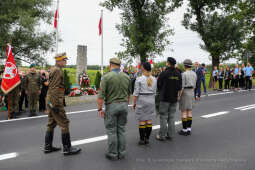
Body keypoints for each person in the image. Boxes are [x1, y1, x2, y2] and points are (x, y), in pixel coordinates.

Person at [43, 52, 81, 155]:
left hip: (50, 99)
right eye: (64, 60)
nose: (65, 62)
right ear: (59, 60)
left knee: (51, 122)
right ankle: (67, 148)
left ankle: (47, 147)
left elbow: (51, 86)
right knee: (64, 123)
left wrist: (51, 103)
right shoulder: (57, 71)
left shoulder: (53, 69)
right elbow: (54, 88)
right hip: (55, 100)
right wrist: (55, 105)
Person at [97, 58, 131, 160]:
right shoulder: (126, 76)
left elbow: (101, 96)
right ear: (119, 65)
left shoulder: (106, 77)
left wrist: (99, 109)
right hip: (124, 105)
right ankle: (122, 152)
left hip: (112, 105)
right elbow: (129, 94)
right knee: (121, 129)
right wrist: (125, 104)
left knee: (111, 130)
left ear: (110, 65)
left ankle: (113, 154)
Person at [156, 57, 182, 141]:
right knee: (171, 117)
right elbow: (179, 87)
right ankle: (170, 134)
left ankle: (162, 135)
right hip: (174, 98)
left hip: (164, 98)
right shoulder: (178, 73)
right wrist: (178, 95)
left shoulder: (164, 73)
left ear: (168, 63)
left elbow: (158, 85)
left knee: (163, 116)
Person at [132, 62, 157, 145]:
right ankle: (147, 138)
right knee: (149, 120)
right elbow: (155, 91)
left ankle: (142, 139)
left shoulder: (139, 79)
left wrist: (134, 103)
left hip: (142, 99)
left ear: (143, 68)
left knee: (142, 121)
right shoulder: (154, 79)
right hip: (151, 99)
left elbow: (136, 93)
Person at [178, 59, 197, 136]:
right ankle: (189, 129)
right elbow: (195, 85)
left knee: (183, 112)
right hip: (192, 92)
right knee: (189, 112)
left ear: (184, 65)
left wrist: (179, 96)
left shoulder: (183, 74)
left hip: (185, 92)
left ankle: (184, 129)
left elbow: (182, 87)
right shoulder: (194, 74)